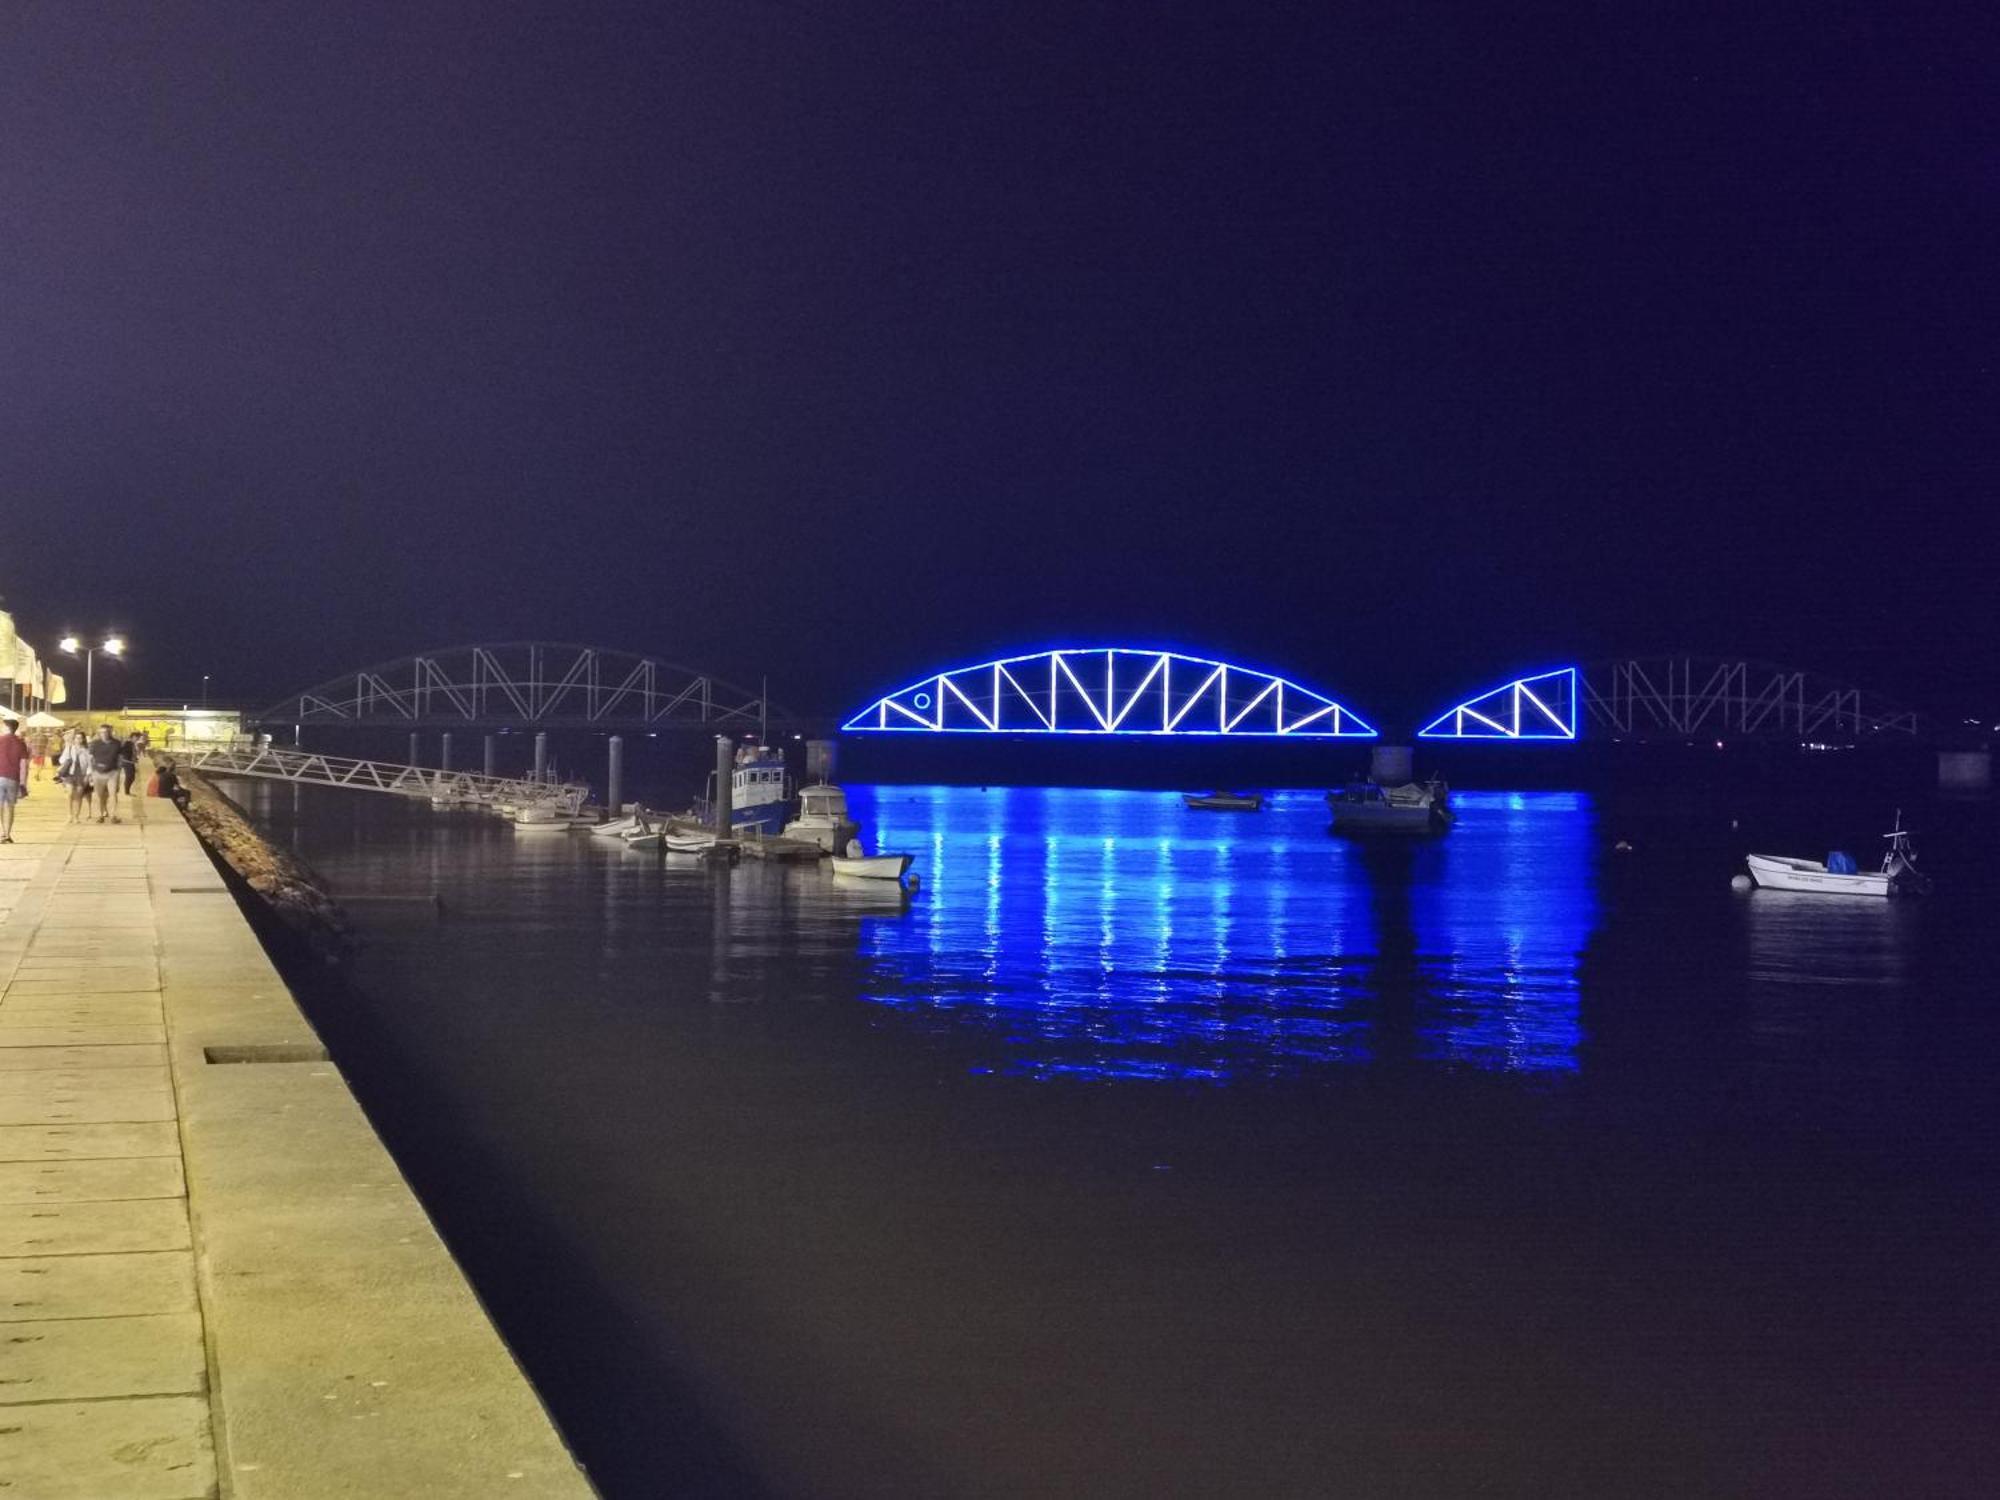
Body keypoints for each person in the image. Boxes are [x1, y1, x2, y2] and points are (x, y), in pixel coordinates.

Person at [87, 724, 124, 824]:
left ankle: (113, 815)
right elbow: (90, 758)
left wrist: (119, 771)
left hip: (112, 772)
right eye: (102, 732)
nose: (104, 734)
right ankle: (101, 814)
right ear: (99, 733)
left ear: (110, 732)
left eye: (106, 732)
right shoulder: (95, 743)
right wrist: (90, 773)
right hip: (97, 773)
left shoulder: (117, 743)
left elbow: (120, 758)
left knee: (113, 795)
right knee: (99, 795)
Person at [0, 716, 27, 844]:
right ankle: (7, 834)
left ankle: (2, 832)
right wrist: (23, 783)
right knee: (10, 807)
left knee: (0, 806)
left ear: (6, 727)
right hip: (13, 779)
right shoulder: (21, 743)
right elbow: (24, 764)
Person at [57, 729, 92, 825]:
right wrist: (67, 748)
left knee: (79, 796)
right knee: (70, 793)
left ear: (83, 739)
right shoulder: (69, 748)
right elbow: (61, 760)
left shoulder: (86, 751)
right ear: (74, 739)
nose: (78, 740)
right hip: (70, 774)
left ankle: (76, 816)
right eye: (77, 738)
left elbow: (90, 765)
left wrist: (88, 776)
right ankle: (69, 815)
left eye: (80, 738)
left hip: (81, 775)